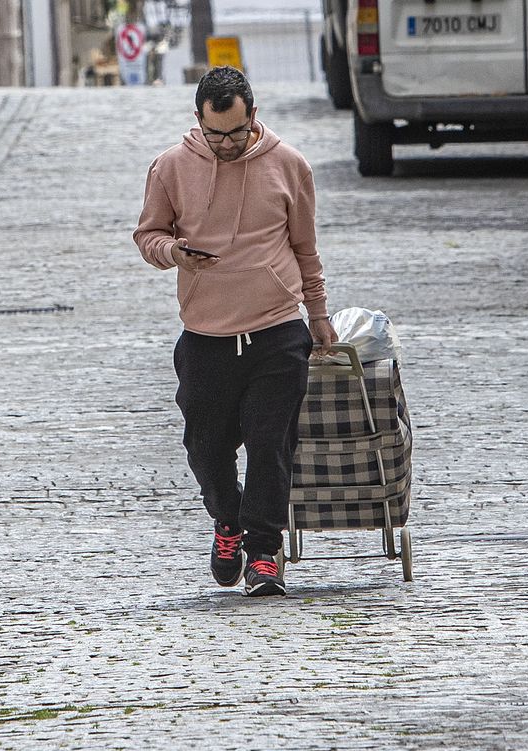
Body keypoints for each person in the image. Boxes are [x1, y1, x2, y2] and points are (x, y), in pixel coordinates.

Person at [133, 66, 337, 597]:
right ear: (197, 120)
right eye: (214, 132)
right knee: (207, 448)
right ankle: (228, 521)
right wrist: (173, 253)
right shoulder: (171, 167)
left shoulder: (290, 166)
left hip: (276, 331)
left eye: (236, 132)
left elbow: (305, 250)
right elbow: (148, 234)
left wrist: (318, 316)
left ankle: (264, 554)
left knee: (271, 444)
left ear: (253, 117)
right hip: (204, 337)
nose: (225, 143)